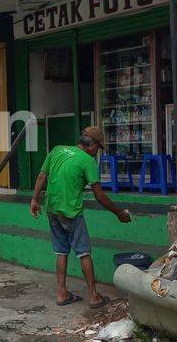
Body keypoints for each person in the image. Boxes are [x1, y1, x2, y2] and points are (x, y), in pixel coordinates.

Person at [30, 126, 131, 309]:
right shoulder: (88, 161)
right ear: (91, 144)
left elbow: (41, 176)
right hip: (72, 212)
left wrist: (35, 200)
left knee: (61, 251)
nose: (97, 153)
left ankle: (61, 293)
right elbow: (99, 195)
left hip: (52, 209)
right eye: (98, 148)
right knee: (84, 252)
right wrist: (119, 213)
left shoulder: (57, 150)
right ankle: (93, 296)